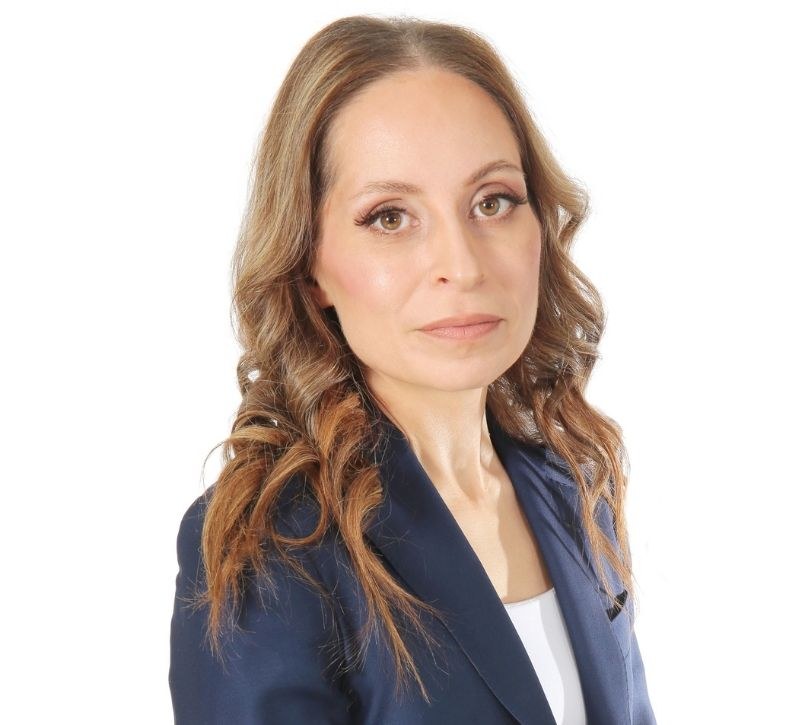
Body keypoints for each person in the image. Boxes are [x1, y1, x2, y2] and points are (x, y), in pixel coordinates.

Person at [169, 14, 656, 725]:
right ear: (310, 266)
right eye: (390, 217)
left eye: (492, 202)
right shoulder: (274, 547)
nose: (461, 265)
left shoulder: (575, 491)